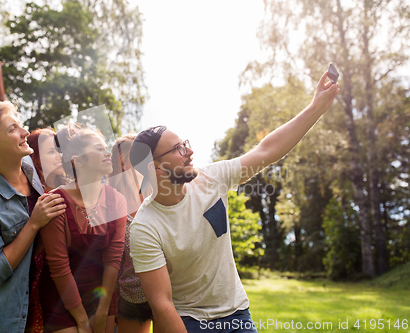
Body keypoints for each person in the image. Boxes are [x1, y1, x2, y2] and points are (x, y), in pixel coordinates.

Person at [128, 72, 340, 333]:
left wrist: (316, 107)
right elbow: (162, 304)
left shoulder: (211, 179)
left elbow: (266, 151)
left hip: (237, 314)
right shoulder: (144, 227)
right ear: (156, 168)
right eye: (178, 149)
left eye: (186, 144)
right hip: (188, 321)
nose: (190, 151)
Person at [0, 101, 66, 333]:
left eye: (20, 125)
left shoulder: (29, 167)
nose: (24, 132)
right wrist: (34, 222)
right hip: (3, 315)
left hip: (37, 299)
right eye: (12, 129)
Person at [38, 124, 127, 333]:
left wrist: (102, 312)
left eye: (106, 147)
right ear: (77, 161)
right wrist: (81, 320)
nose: (107, 153)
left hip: (101, 296)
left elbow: (114, 257)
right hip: (61, 300)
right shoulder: (55, 201)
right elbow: (59, 266)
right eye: (98, 148)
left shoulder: (117, 201)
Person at [108, 134, 156, 333]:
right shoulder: (108, 204)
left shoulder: (155, 197)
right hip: (130, 302)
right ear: (122, 162)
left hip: (166, 292)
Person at [25, 128, 69, 333]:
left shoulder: (66, 191)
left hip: (57, 282)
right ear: (35, 156)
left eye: (58, 151)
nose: (59, 156)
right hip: (29, 280)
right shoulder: (28, 194)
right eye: (51, 152)